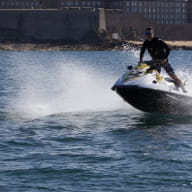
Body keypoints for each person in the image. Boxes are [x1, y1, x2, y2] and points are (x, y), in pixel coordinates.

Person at [140, 27, 187, 92]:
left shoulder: (158, 41)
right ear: (145, 34)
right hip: (155, 62)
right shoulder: (146, 43)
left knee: (174, 77)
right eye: (147, 33)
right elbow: (142, 51)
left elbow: (168, 48)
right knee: (151, 73)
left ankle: (184, 90)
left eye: (150, 33)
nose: (149, 35)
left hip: (164, 61)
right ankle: (152, 88)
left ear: (153, 34)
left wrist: (164, 58)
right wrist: (140, 60)